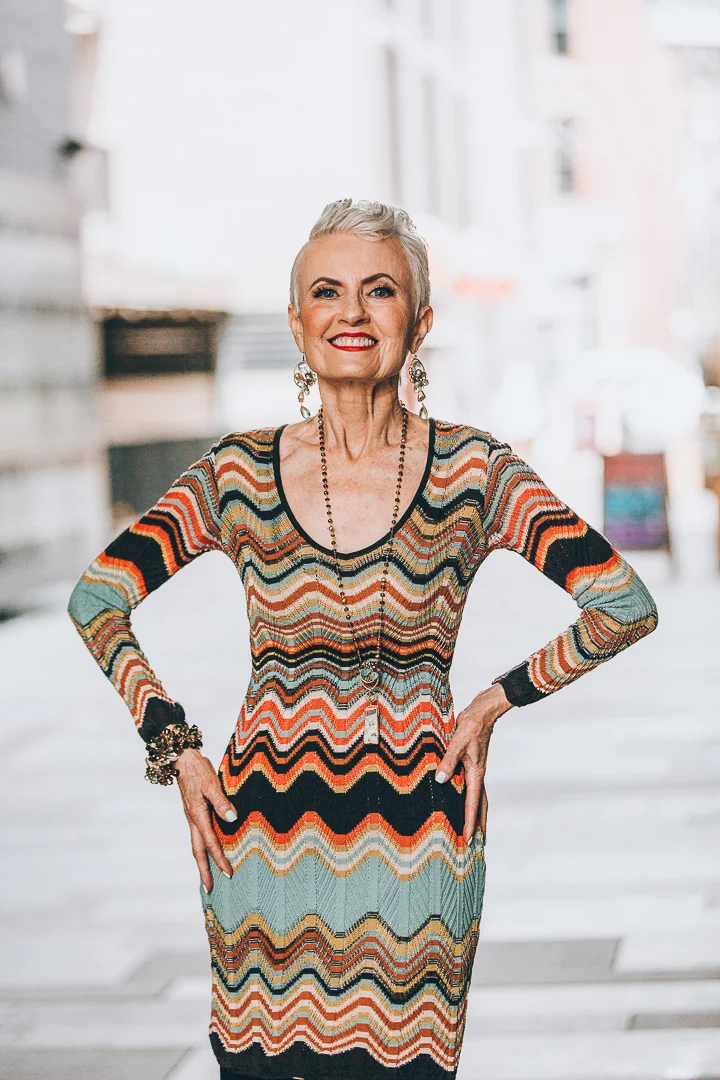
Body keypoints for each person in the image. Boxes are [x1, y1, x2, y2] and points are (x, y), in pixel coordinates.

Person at [68, 198, 659, 1080]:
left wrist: (499, 699)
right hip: (258, 845)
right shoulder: (235, 474)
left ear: (418, 323)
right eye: (326, 292)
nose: (351, 312)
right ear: (298, 323)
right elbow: (97, 600)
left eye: (378, 291)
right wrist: (177, 747)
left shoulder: (476, 470)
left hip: (419, 850)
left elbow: (622, 601)